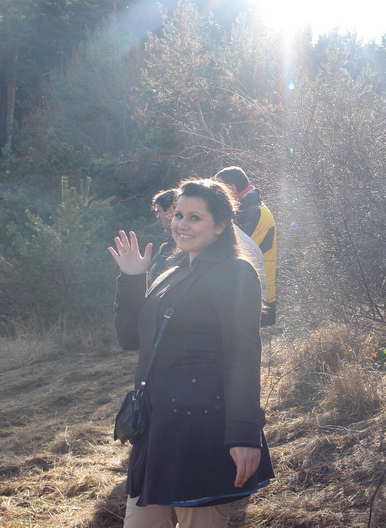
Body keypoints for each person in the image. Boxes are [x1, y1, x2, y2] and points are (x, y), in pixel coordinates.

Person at [109, 178, 274, 528]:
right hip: (156, 432)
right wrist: (133, 279)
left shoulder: (235, 272)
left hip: (202, 433)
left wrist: (244, 434)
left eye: (195, 217)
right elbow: (130, 338)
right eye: (178, 215)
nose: (182, 225)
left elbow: (243, 355)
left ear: (220, 225)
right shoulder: (171, 272)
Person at [215, 167, 278, 326]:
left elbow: (228, 247)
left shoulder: (252, 212)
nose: (216, 197)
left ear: (231, 188)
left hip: (254, 292)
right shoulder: (251, 208)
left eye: (219, 191)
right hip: (252, 289)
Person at [147, 189, 177, 288]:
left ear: (170, 211)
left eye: (159, 211)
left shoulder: (185, 248)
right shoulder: (167, 244)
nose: (158, 216)